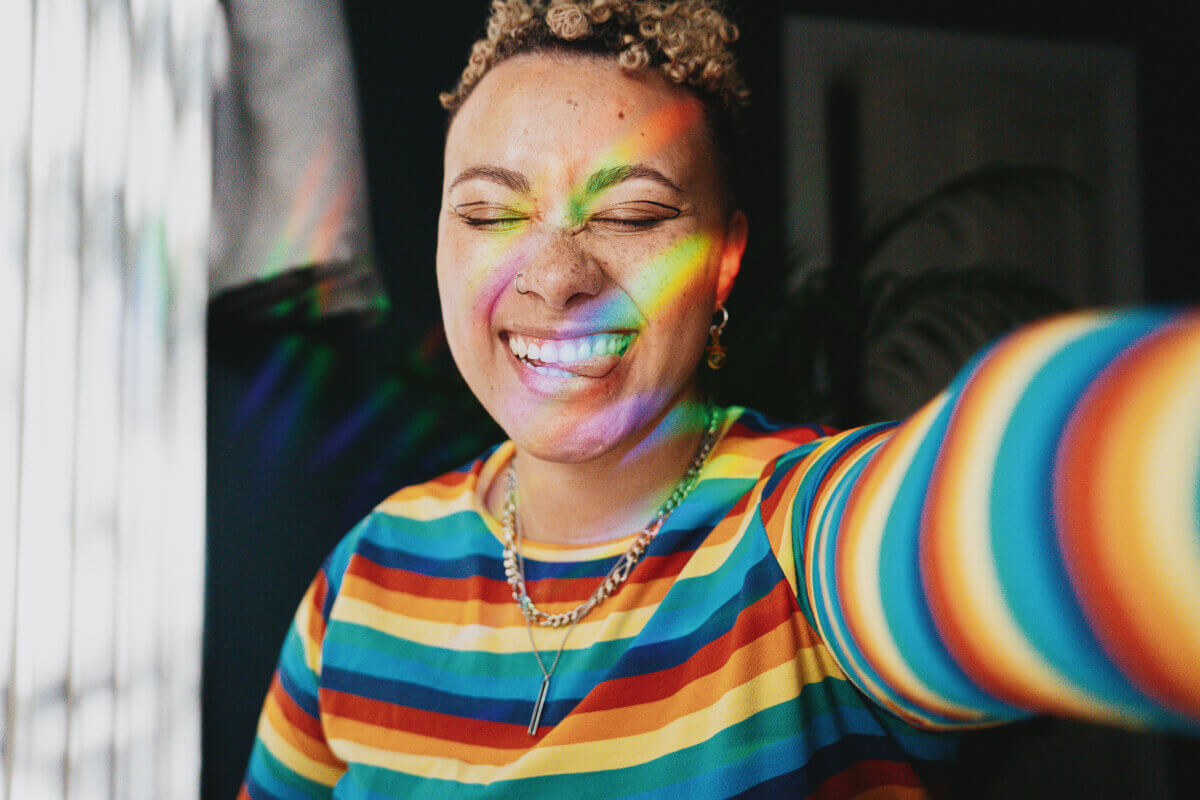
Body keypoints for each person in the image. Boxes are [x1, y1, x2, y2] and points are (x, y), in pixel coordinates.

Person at [238, 2, 1200, 798]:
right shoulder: (362, 578)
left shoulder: (797, 539)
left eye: (634, 215)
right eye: (491, 213)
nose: (557, 274)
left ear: (723, 262)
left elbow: (1000, 496)